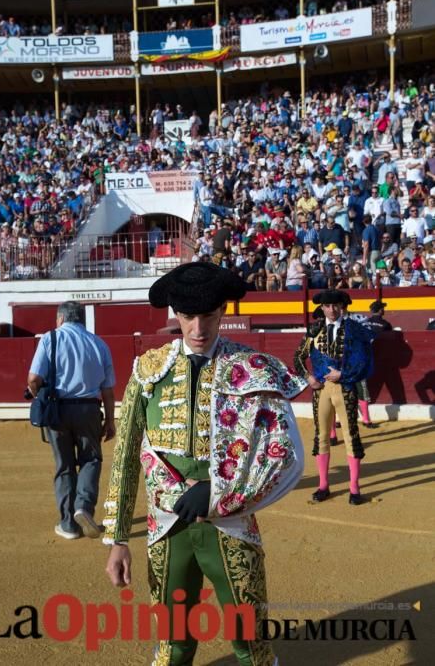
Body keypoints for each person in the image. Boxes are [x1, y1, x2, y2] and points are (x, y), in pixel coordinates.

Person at [103, 262, 306, 666]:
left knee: (251, 644)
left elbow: (286, 454)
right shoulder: (148, 369)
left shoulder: (252, 368)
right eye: (188, 317)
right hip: (166, 528)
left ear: (223, 312)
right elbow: (125, 454)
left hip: (231, 524)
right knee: (172, 645)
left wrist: (219, 492)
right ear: (174, 314)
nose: (198, 329)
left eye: (209, 317)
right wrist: (118, 539)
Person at [27, 301, 116, 540]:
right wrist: (110, 420)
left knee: (64, 466)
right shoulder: (99, 344)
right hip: (89, 409)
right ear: (82, 320)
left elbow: (34, 379)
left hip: (58, 410)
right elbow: (108, 391)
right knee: (91, 459)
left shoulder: (50, 338)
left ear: (60, 319)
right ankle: (84, 507)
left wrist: (39, 396)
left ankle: (68, 525)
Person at [294, 289, 374, 505]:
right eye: (327, 305)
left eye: (336, 305)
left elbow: (364, 361)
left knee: (351, 436)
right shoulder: (314, 330)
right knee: (321, 436)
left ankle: (354, 488)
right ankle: (323, 485)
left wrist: (344, 374)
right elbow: (298, 357)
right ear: (321, 307)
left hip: (345, 388)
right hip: (321, 390)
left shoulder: (354, 330)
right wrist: (309, 377)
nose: (331, 309)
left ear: (343, 306)